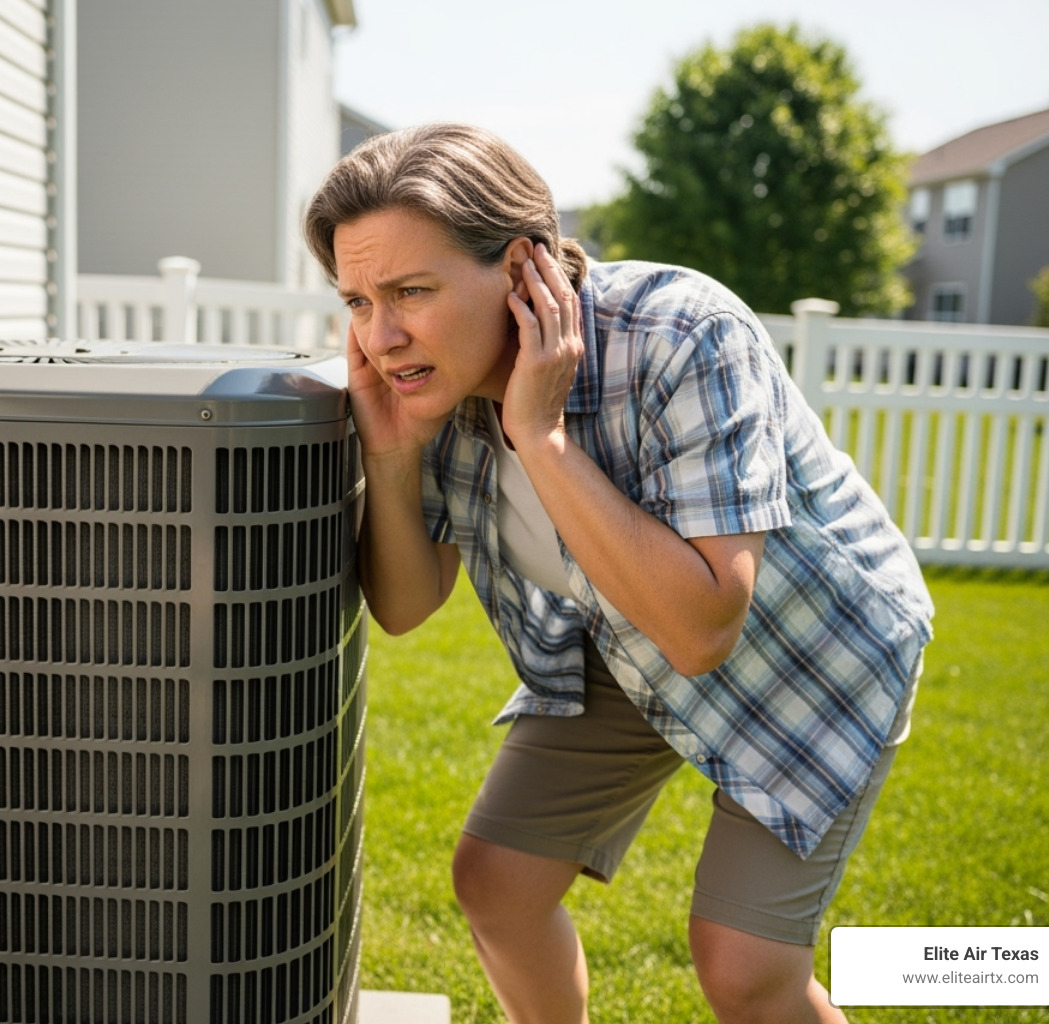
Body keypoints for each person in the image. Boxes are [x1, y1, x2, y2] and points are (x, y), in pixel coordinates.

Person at [303, 123, 934, 1024]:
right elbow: (404, 608)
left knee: (745, 967)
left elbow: (702, 630)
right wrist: (395, 456)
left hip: (814, 656)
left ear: (522, 270)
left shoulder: (685, 334)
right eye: (358, 300)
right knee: (498, 884)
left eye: (410, 290)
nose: (383, 335)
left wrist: (544, 437)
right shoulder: (430, 382)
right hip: (624, 641)